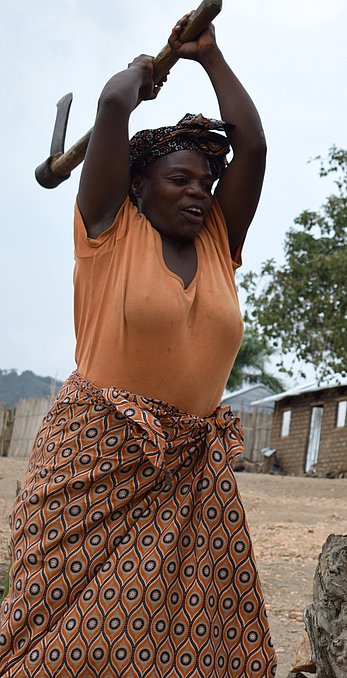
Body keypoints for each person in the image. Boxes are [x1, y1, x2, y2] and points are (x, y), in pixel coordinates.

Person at [0, 13, 275, 677]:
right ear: (136, 186)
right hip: (92, 462)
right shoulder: (107, 230)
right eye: (179, 180)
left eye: (205, 185)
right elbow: (110, 106)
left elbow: (255, 149)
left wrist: (209, 57)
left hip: (186, 464)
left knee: (190, 639)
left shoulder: (216, 241)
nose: (197, 195)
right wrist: (138, 79)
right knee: (58, 638)